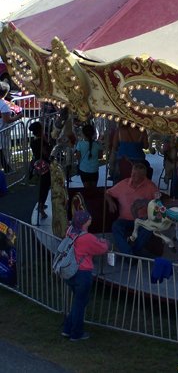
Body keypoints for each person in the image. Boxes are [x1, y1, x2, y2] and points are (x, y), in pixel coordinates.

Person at [61, 210, 109, 341]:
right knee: (80, 304)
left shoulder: (70, 230)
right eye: (89, 218)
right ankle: (76, 333)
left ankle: (67, 328)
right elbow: (102, 248)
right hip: (82, 274)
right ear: (84, 222)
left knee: (78, 302)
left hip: (70, 272)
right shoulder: (87, 238)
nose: (91, 219)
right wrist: (105, 242)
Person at [105, 162, 159, 256]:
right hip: (124, 219)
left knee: (150, 228)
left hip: (142, 220)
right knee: (116, 226)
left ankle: (132, 254)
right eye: (132, 173)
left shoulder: (151, 187)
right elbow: (107, 192)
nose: (132, 176)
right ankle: (130, 254)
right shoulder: (124, 183)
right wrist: (110, 202)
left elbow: (158, 205)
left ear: (143, 176)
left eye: (136, 175)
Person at [28, 121, 51, 220]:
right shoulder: (41, 142)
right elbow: (45, 153)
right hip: (44, 164)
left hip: (38, 164)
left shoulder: (33, 141)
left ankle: (41, 204)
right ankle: (41, 206)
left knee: (43, 185)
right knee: (45, 187)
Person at [0, 81, 24, 173]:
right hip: (3, 131)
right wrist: (19, 116)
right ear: (5, 93)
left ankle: (6, 169)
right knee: (5, 151)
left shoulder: (4, 104)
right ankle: (7, 170)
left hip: (2, 130)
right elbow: (7, 120)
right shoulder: (3, 105)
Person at [75, 123, 103, 188]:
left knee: (87, 189)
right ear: (93, 134)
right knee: (94, 189)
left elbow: (78, 157)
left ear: (83, 134)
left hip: (84, 170)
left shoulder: (80, 144)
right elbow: (100, 156)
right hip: (94, 170)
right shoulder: (98, 144)